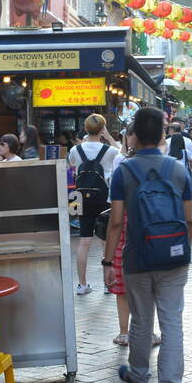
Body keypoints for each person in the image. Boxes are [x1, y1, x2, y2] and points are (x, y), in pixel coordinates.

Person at [104, 107, 192, 383]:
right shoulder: (179, 170)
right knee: (172, 323)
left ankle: (139, 378)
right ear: (163, 135)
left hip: (137, 257)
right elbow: (189, 220)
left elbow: (115, 223)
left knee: (141, 320)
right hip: (174, 258)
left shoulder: (123, 171)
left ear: (135, 137)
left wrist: (106, 264)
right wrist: (183, 254)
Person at [68, 114, 119, 296]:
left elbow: (72, 165)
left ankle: (82, 285)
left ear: (85, 128)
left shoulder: (75, 150)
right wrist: (110, 138)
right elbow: (122, 154)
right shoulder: (110, 151)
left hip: (81, 198)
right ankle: (108, 283)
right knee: (105, 240)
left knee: (84, 242)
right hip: (103, 198)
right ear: (103, 129)